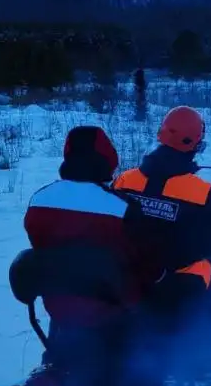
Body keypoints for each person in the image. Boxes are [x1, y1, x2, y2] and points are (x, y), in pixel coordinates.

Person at [112, 105, 211, 319]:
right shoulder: (203, 193)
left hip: (132, 274)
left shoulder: (124, 180)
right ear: (196, 144)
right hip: (180, 281)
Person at [18, 125, 159, 337]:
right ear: (108, 159)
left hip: (60, 310)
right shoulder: (122, 208)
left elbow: (42, 246)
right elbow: (144, 262)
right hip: (115, 315)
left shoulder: (39, 200)